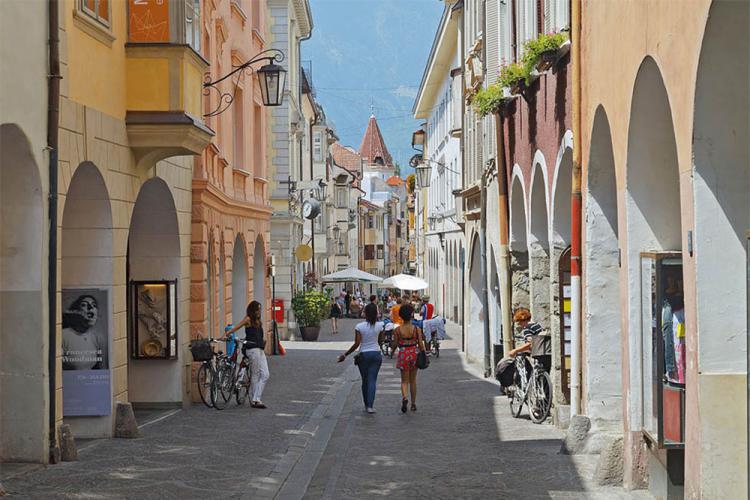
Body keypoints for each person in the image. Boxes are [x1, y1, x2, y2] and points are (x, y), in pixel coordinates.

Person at [337, 303, 384, 414]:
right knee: (372, 380)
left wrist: (345, 354)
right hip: (376, 354)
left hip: (363, 355)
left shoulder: (359, 326)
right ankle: (371, 406)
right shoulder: (380, 326)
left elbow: (357, 344)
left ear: (365, 313)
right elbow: (380, 341)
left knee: (365, 380)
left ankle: (366, 403)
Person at [226, 301, 269, 409]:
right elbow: (237, 327)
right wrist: (227, 333)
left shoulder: (259, 321)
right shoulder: (248, 319)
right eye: (257, 309)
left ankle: (254, 397)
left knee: (265, 374)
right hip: (252, 349)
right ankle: (255, 399)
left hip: (260, 349)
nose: (259, 311)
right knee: (256, 374)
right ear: (252, 310)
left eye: (260, 309)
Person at [392, 303, 426, 413]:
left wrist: (392, 351)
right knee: (413, 381)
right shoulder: (416, 329)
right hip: (414, 353)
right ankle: (413, 404)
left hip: (403, 354)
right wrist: (424, 354)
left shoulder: (397, 330)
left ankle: (405, 397)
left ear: (401, 316)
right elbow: (420, 345)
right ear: (411, 315)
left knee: (404, 381)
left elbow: (395, 344)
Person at [62, 294, 105, 370]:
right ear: (76, 311)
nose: (91, 307)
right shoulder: (63, 335)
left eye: (94, 305)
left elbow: (102, 368)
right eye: (84, 305)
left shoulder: (97, 337)